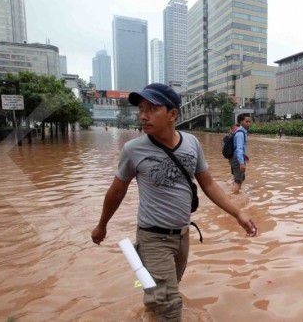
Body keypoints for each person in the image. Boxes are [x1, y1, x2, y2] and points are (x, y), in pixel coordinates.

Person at [91, 83, 258, 321]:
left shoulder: (192, 144)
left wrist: (238, 213)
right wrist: (102, 225)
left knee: (165, 293)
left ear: (172, 114)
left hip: (182, 236)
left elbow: (208, 184)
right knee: (170, 306)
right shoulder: (133, 150)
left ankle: (149, 312)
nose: (143, 116)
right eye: (141, 109)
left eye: (152, 109)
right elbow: (116, 191)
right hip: (152, 239)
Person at [232, 114, 253, 194]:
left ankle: (235, 192)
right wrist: (241, 163)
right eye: (246, 121)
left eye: (250, 121)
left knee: (240, 177)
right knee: (238, 180)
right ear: (241, 122)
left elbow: (241, 148)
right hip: (237, 159)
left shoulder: (241, 132)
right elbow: (239, 149)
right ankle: (235, 198)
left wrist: (245, 158)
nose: (249, 123)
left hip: (237, 157)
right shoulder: (240, 133)